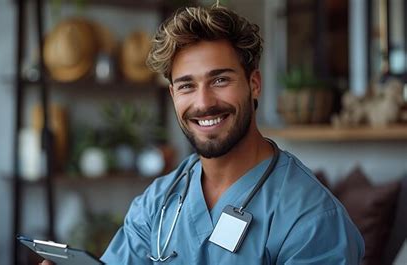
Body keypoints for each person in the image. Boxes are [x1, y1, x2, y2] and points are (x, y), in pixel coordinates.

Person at [42, 4, 364, 265]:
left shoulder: (311, 219)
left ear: (254, 84)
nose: (204, 102)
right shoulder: (157, 203)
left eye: (220, 80)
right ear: (172, 95)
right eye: (187, 86)